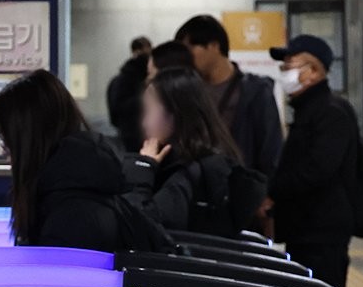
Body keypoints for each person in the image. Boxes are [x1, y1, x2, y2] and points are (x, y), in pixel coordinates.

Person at [0, 69, 172, 252]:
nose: (5, 153)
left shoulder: (69, 216)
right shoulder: (83, 181)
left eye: (6, 140)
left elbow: (59, 268)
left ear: (26, 142)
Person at [266, 35, 359, 287]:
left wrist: (273, 192)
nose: (285, 73)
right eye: (283, 67)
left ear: (314, 71)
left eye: (290, 67)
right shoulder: (309, 109)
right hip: (304, 230)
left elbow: (316, 171)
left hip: (322, 233)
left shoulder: (331, 113)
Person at [122, 67, 255, 236]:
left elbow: (141, 226)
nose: (144, 123)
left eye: (150, 110)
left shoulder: (193, 172)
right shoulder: (211, 157)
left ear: (175, 112)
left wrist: (143, 168)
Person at [176, 15, 283, 179]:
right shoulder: (189, 91)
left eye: (189, 49)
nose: (185, 58)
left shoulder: (256, 91)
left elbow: (270, 147)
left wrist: (263, 187)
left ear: (214, 46)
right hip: (200, 183)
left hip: (242, 183)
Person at [107, 36, 152, 152]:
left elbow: (114, 115)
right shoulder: (126, 81)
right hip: (136, 137)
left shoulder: (118, 80)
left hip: (127, 137)